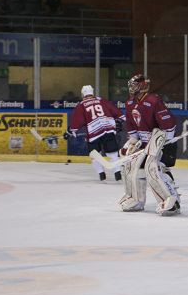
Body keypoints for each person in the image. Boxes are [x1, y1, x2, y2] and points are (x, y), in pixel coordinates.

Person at [119, 74, 180, 216]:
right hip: (144, 145)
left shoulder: (154, 100)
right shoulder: (129, 103)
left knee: (152, 168)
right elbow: (133, 130)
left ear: (142, 86)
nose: (131, 88)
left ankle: (172, 201)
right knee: (129, 165)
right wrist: (130, 144)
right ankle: (136, 199)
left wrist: (163, 142)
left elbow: (168, 126)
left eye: (134, 85)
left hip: (163, 144)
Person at [66, 85, 123, 182]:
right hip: (108, 129)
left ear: (82, 94)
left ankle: (101, 174)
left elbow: (77, 122)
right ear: (92, 92)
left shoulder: (81, 105)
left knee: (94, 154)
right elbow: (116, 111)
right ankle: (117, 174)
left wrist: (71, 130)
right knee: (112, 153)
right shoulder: (102, 100)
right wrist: (120, 119)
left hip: (93, 134)